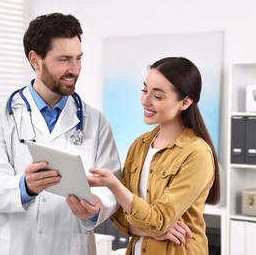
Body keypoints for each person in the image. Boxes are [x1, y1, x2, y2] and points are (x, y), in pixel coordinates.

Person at [0, 13, 122, 255]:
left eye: (78, 58)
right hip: (12, 247)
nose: (74, 69)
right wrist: (24, 186)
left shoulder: (95, 122)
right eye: (64, 60)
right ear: (35, 59)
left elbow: (111, 184)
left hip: (69, 246)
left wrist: (97, 207)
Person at [88, 56, 221, 255]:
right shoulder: (140, 145)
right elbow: (120, 216)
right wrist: (150, 229)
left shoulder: (197, 154)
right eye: (144, 90)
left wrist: (113, 185)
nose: (145, 101)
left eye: (157, 97)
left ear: (185, 102)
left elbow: (158, 220)